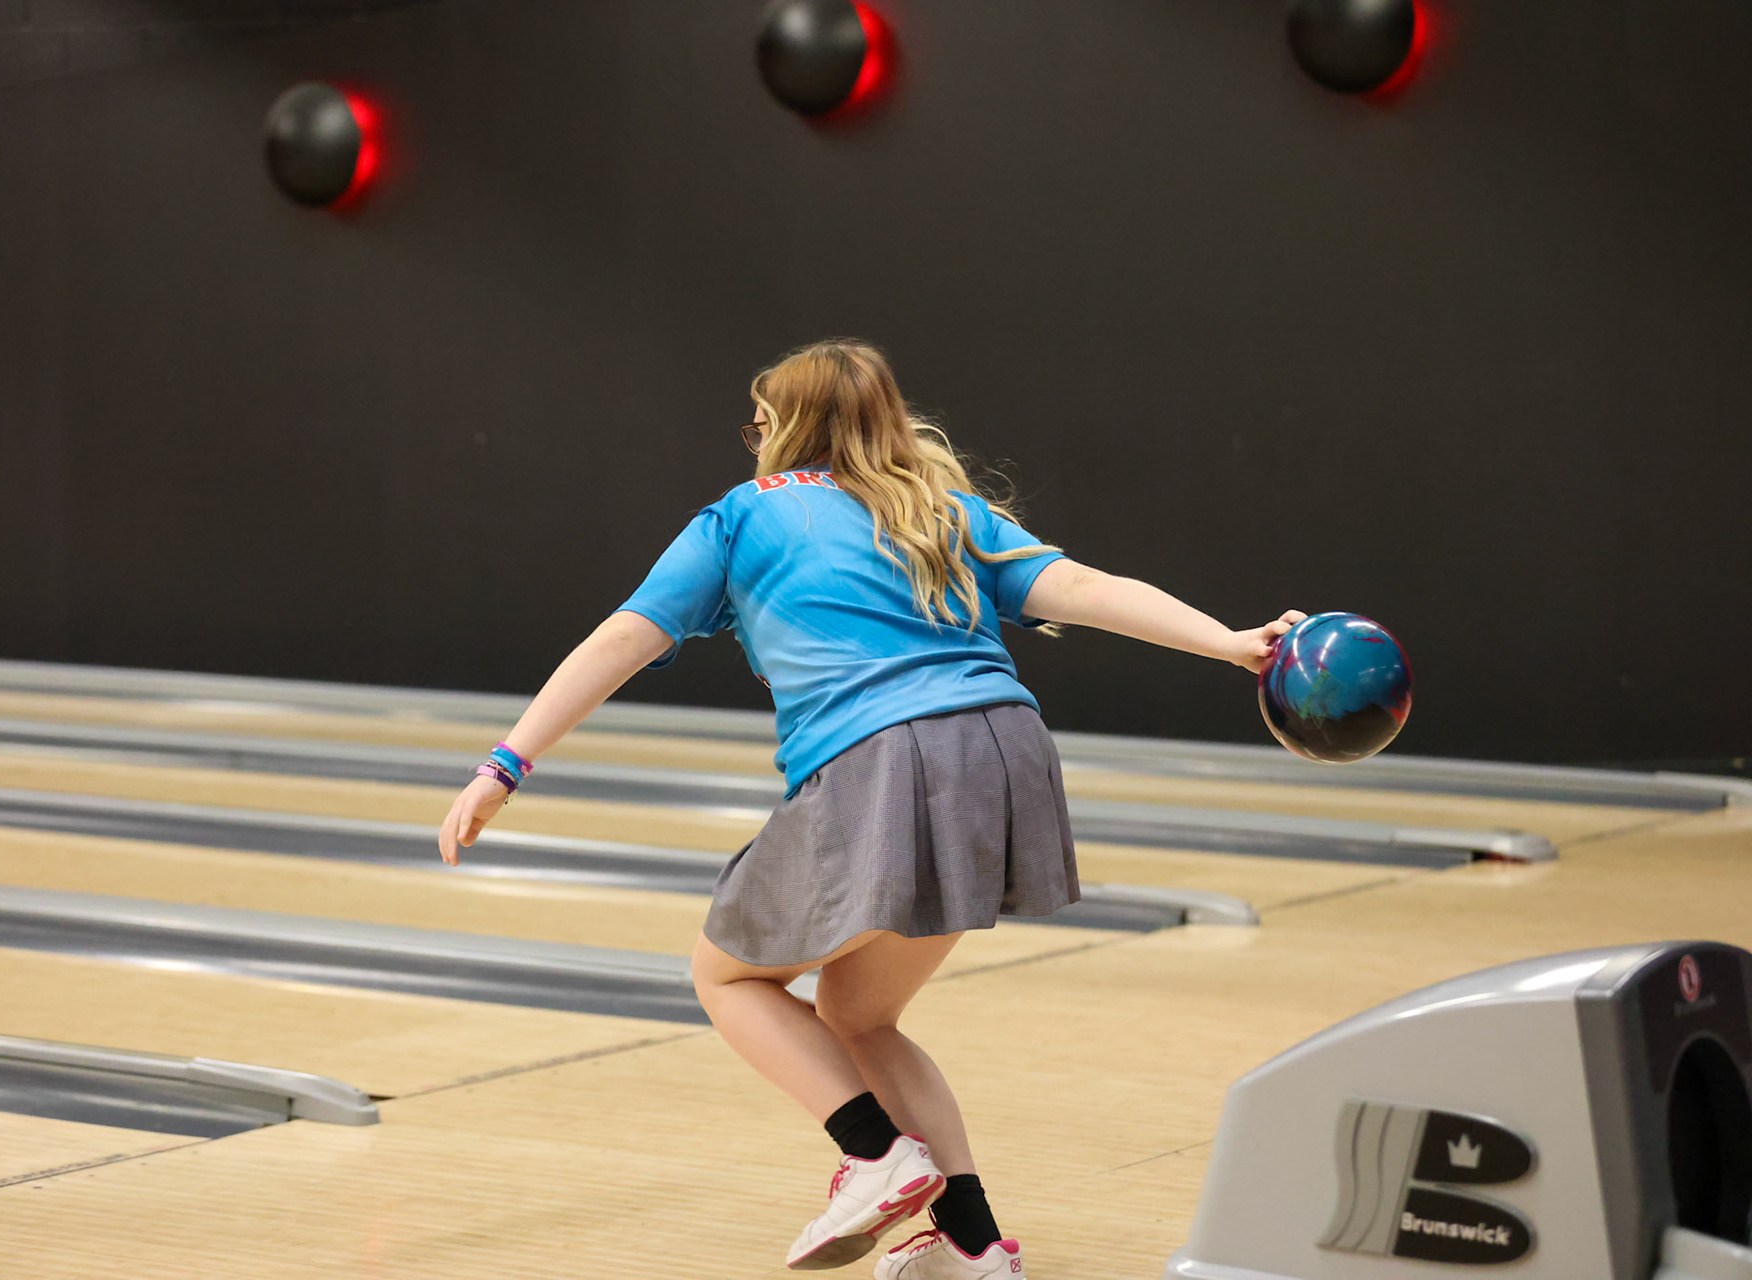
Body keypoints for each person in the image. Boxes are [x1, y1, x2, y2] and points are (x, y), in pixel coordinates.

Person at [438, 339, 1304, 1278]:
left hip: (882, 761)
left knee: (727, 977)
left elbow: (621, 640)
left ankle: (873, 1152)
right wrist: (1232, 644)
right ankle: (973, 1248)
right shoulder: (943, 510)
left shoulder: (738, 520)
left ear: (780, 427)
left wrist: (505, 763)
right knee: (859, 1011)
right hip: (1010, 754)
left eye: (758, 421)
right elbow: (1086, 590)